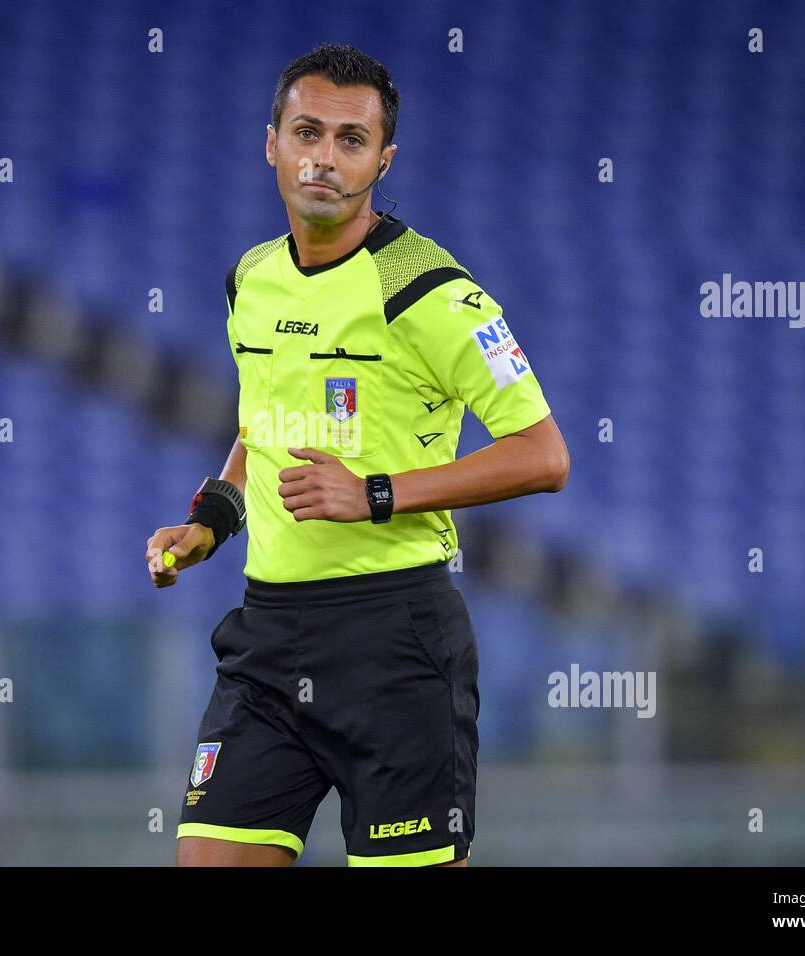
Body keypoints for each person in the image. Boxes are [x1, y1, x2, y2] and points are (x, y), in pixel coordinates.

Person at [145, 44, 569, 867]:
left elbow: (544, 456)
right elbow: (262, 421)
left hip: (397, 644)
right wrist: (211, 521)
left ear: (383, 159)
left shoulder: (432, 291)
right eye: (307, 133)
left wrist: (376, 492)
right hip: (266, 641)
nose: (324, 160)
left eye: (350, 140)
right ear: (271, 141)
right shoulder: (251, 280)